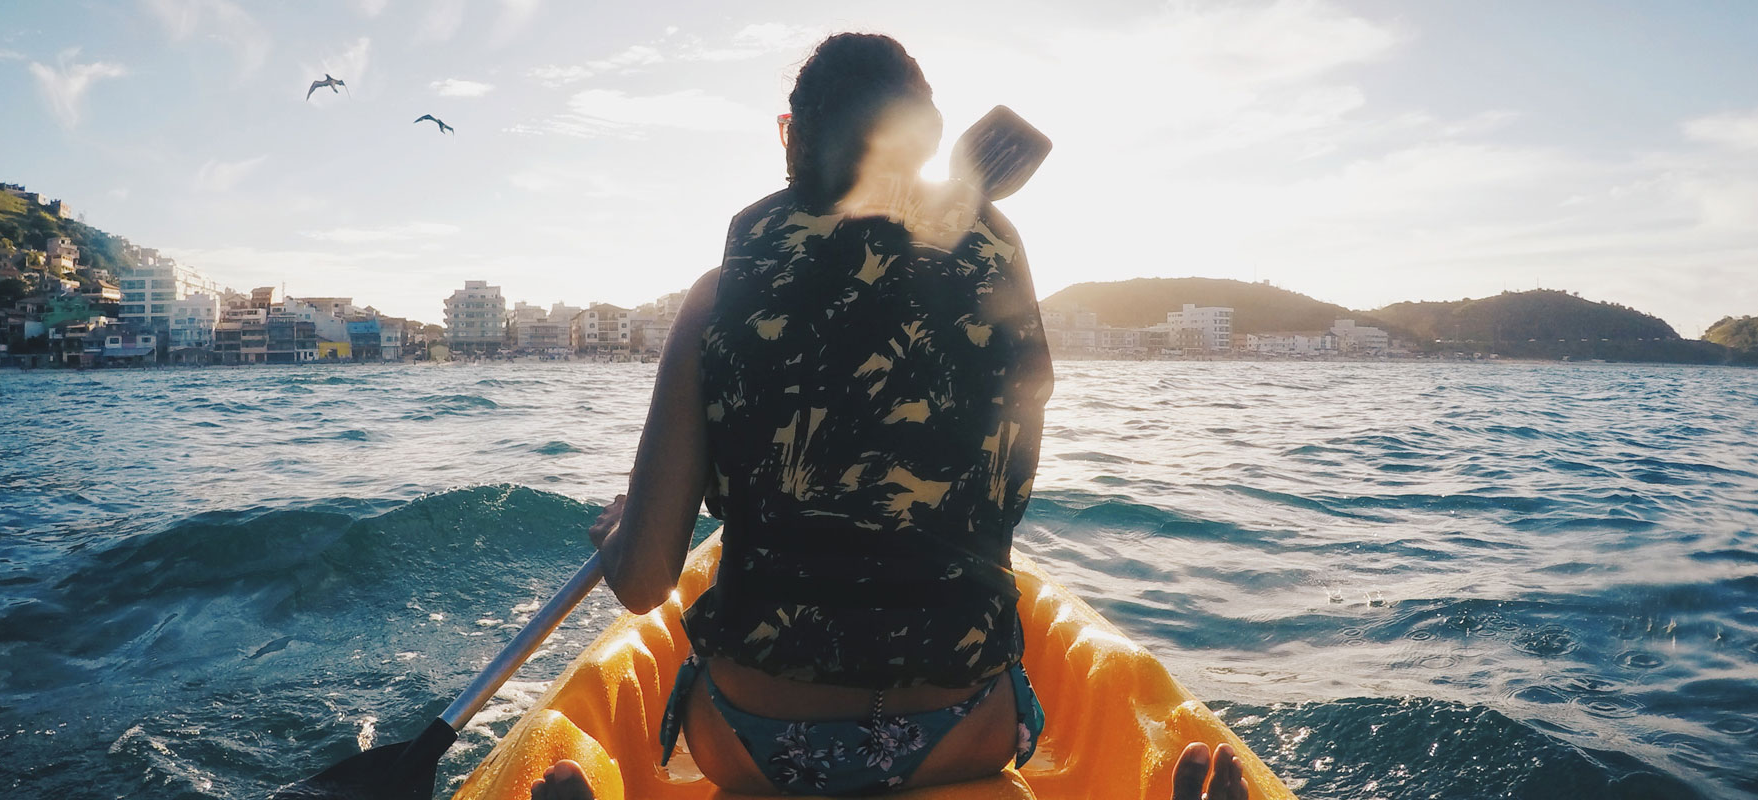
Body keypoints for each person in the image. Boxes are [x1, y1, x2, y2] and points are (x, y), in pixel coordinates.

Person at [533, 32, 1248, 800]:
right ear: (927, 141)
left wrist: (619, 536)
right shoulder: (997, 272)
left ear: (790, 136)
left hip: (755, 737)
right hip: (960, 728)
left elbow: (645, 582)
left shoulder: (716, 298)